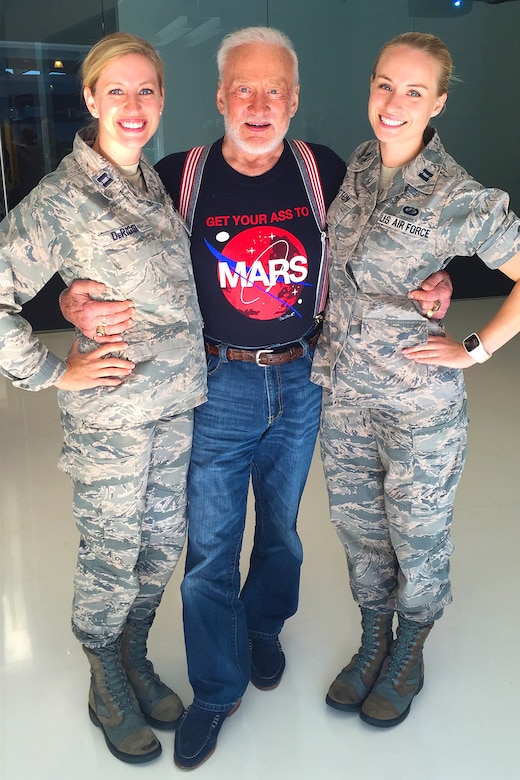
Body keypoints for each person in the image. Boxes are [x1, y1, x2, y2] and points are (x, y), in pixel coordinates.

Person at [59, 27, 452, 768]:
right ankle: (216, 688)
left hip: (304, 378)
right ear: (219, 98)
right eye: (244, 87)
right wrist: (74, 296)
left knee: (280, 530)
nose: (259, 102)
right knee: (209, 546)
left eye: (275, 89)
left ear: (295, 100)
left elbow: (386, 237)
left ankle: (265, 625)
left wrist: (438, 279)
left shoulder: (323, 170)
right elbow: (110, 242)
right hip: (216, 380)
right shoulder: (181, 174)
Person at [0, 32, 206, 764]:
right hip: (112, 418)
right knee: (112, 555)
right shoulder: (63, 194)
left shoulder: (153, 180)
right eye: (115, 90)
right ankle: (102, 676)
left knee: (158, 550)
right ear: (89, 99)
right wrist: (53, 372)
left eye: (145, 90)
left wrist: (69, 296)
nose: (132, 104)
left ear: (161, 101)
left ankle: (134, 655)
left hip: (175, 403)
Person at [312, 31, 520, 729]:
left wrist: (476, 348)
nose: (392, 103)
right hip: (344, 396)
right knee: (360, 529)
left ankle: (411, 649)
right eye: (383, 85)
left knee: (417, 533)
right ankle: (374, 638)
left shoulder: (458, 192)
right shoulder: (363, 166)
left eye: (411, 91)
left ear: (437, 102)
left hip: (414, 404)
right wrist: (438, 279)